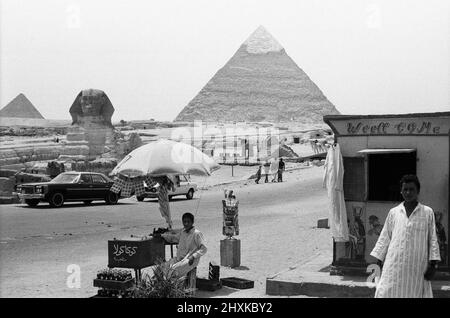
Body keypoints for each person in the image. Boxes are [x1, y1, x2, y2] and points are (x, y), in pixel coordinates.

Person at [370, 175, 440, 298]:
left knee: (415, 293)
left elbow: (433, 239)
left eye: (411, 189)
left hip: (417, 267)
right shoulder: (394, 213)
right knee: (386, 291)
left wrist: (433, 264)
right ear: (401, 191)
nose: (408, 192)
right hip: (394, 265)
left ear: (418, 191)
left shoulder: (427, 212)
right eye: (405, 189)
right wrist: (378, 262)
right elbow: (384, 238)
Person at [161, 212, 207, 278]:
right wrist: (162, 235)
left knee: (173, 271)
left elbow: (204, 248)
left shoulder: (197, 233)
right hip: (180, 258)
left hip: (190, 259)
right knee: (164, 267)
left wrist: (193, 256)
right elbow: (174, 238)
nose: (186, 224)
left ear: (192, 222)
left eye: (188, 222)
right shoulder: (183, 232)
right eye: (184, 222)